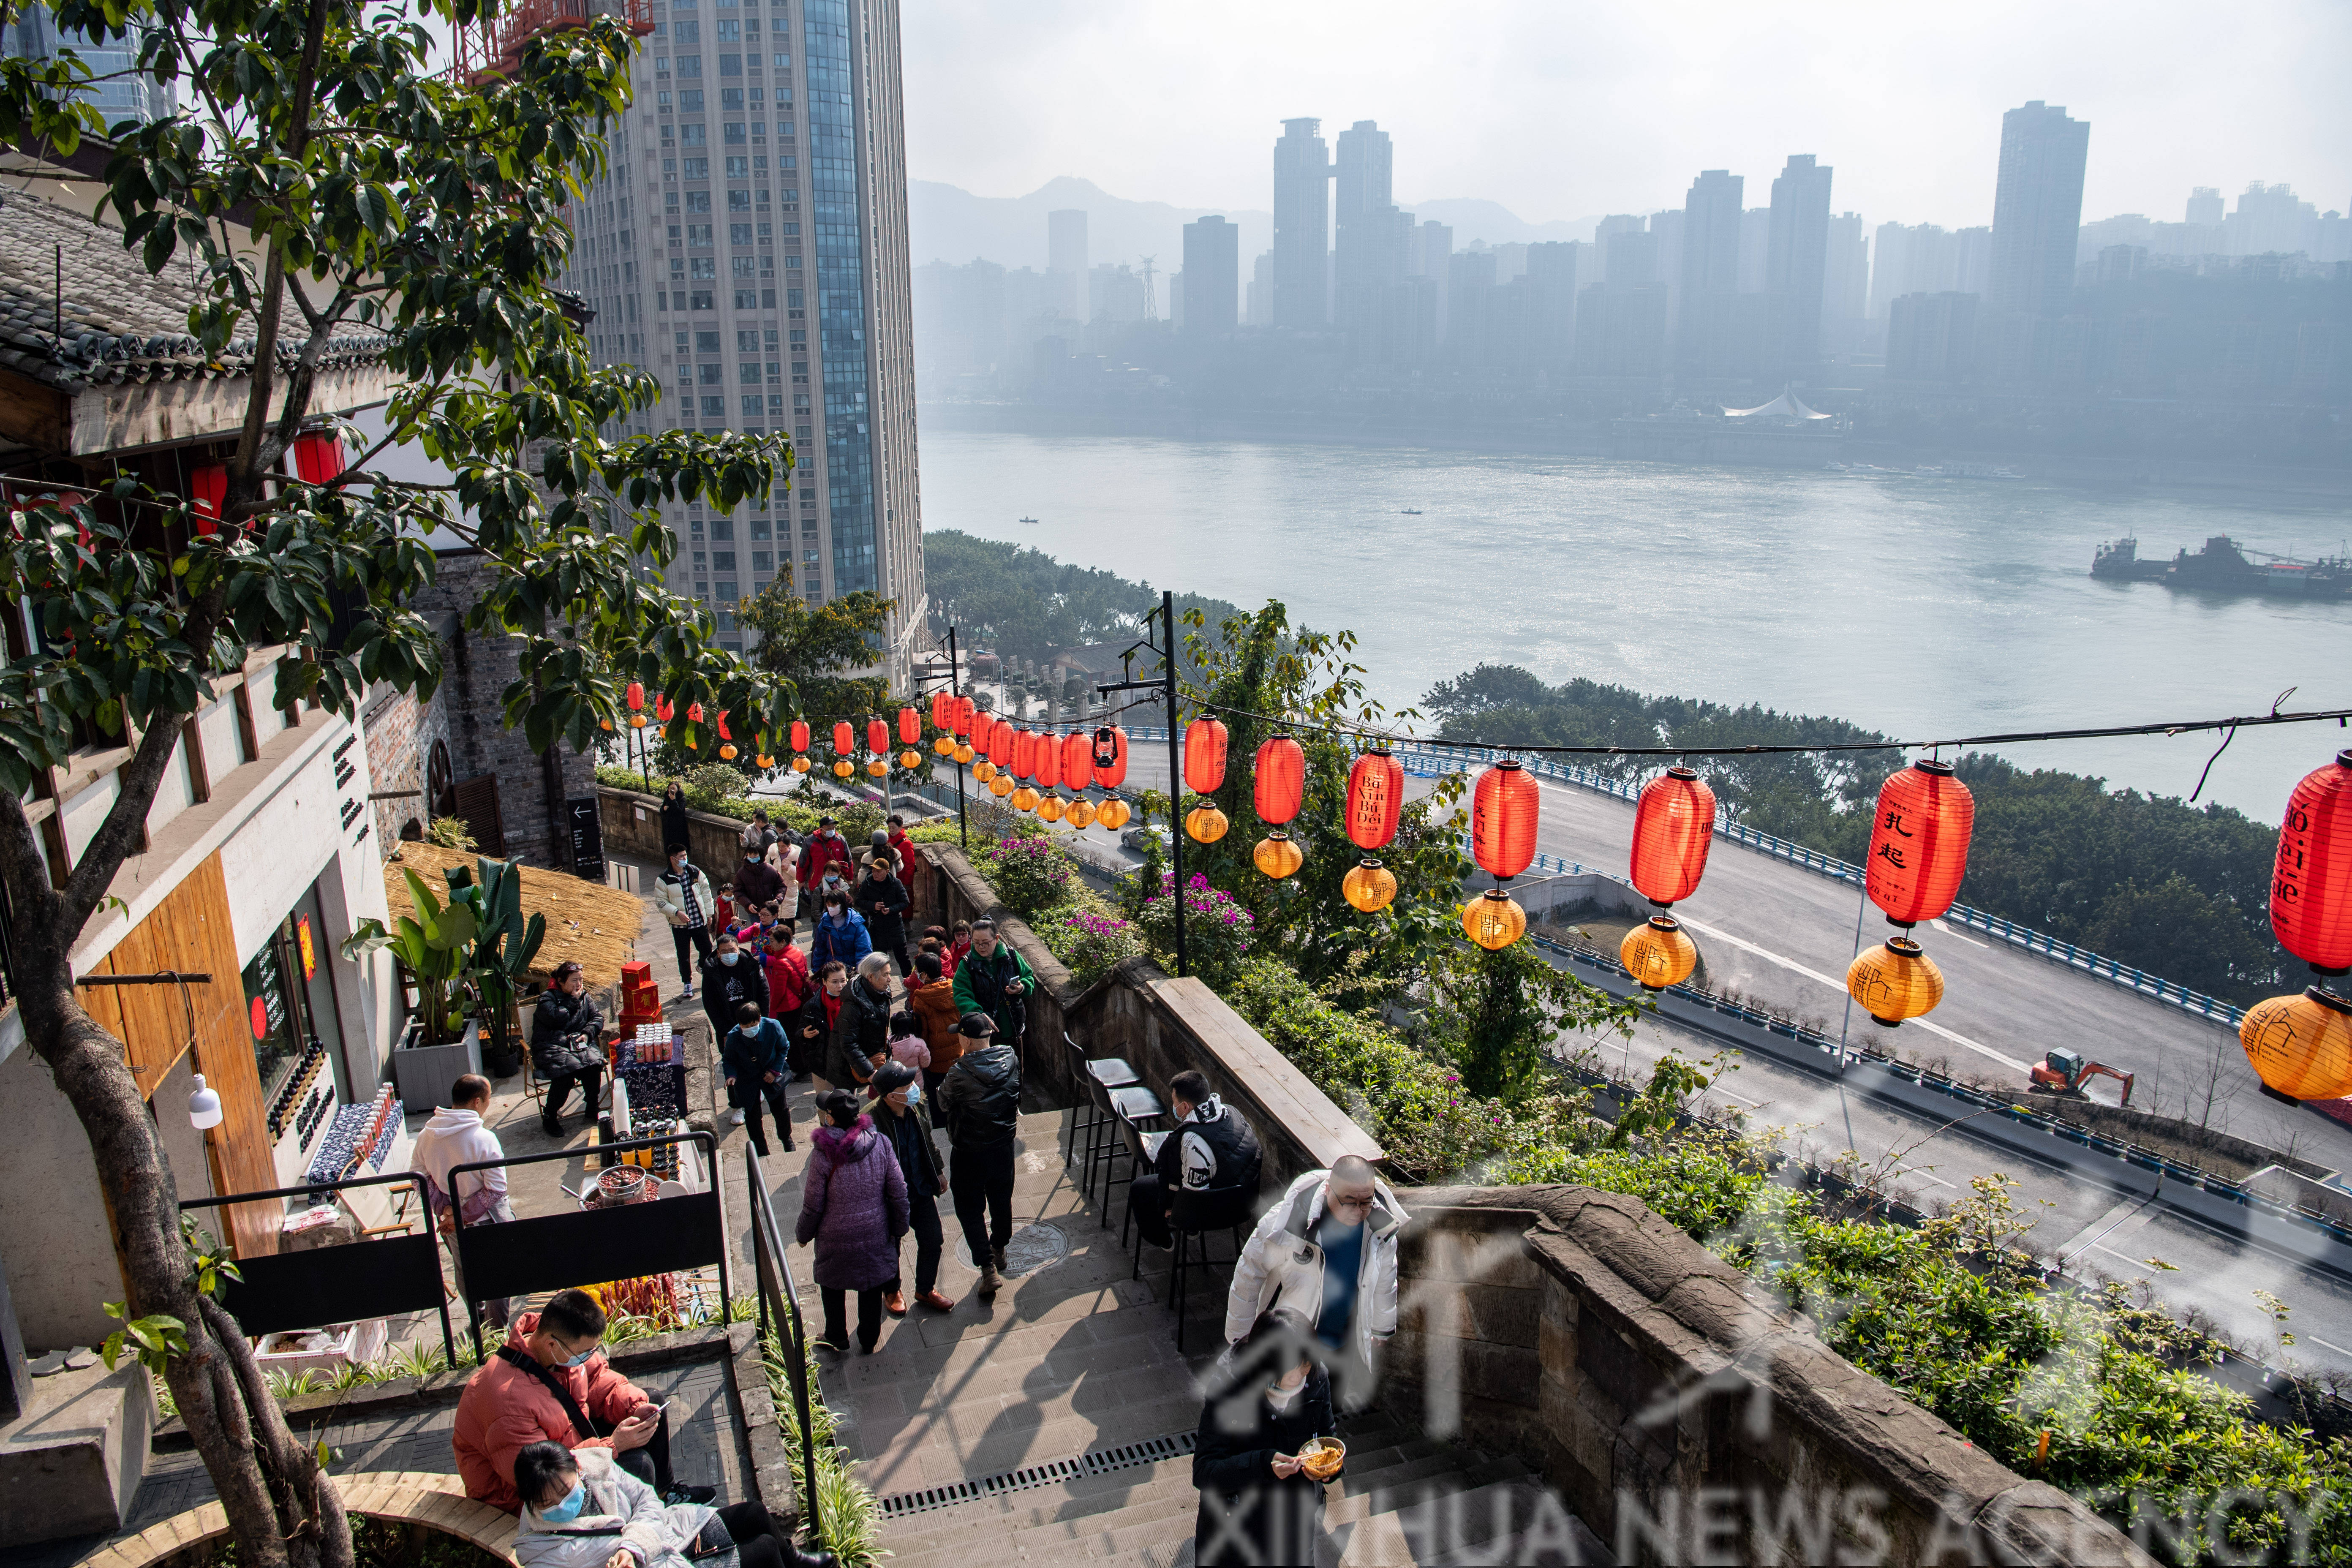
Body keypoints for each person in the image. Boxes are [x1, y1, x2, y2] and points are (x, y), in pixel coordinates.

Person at [454, 1289, 712, 1511]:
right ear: (552, 1345)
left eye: (593, 1350)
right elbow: (544, 1475)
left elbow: (598, 1378)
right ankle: (641, 1525)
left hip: (570, 1443)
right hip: (526, 1497)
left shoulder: (559, 1348)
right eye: (583, 1353)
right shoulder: (506, 1404)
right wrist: (613, 1445)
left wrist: (635, 1405)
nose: (587, 1357)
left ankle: (664, 1496)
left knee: (651, 1403)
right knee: (638, 1465)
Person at [1224, 1157, 1407, 1412]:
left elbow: (1387, 1275)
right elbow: (1248, 1274)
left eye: (1366, 1201)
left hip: (1343, 1342)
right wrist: (1240, 1335)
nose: (1359, 1210)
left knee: (1330, 1407)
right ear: (1329, 1190)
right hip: (1293, 1343)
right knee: (1285, 1410)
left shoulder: (1380, 1226)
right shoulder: (1287, 1221)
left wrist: (1381, 1326)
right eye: (1349, 1202)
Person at [510, 1440, 834, 1568]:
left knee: (755, 1513)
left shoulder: (598, 1468)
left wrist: (632, 1546)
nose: (560, 1504)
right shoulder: (540, 1553)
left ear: (578, 1470)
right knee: (763, 1551)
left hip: (666, 1536)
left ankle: (795, 1561)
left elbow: (647, 1499)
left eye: (566, 1491)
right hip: (663, 1562)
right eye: (547, 1503)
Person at [1190, 1309, 1341, 1568]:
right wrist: (1263, 1464)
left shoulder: (1316, 1378)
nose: (1305, 1373)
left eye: (1308, 1364)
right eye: (1297, 1368)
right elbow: (1205, 1471)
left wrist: (1330, 1470)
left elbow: (1328, 1437)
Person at [795, 1089, 909, 1355]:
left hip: (835, 1238)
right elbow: (899, 1192)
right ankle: (868, 1340)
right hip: (875, 1232)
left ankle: (836, 1335)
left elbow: (813, 1206)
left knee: (832, 1284)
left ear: (831, 1121)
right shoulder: (881, 1143)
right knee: (871, 1283)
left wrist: (803, 1235)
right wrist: (900, 1227)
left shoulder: (823, 1155)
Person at [410, 1073, 514, 1328]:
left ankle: (477, 1318)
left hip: (449, 1220)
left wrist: (446, 1211)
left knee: (464, 1269)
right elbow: (496, 1189)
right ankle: (497, 1333)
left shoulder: (426, 1134)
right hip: (486, 1219)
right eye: (489, 1099)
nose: (489, 1104)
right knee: (499, 1275)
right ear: (478, 1102)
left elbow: (418, 1178)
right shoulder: (484, 1138)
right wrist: (462, 1216)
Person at [934, 1011, 1021, 1298]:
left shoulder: (959, 1073)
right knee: (1001, 1198)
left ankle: (987, 1267)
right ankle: (999, 1246)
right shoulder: (1010, 1058)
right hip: (1002, 1146)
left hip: (969, 1150)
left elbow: (944, 1102)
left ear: (967, 1041)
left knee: (969, 1207)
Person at [1130, 1070, 1263, 1253]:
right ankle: (1191, 1232)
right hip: (1243, 1199)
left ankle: (1166, 1241)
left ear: (1185, 1107)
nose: (1173, 1106)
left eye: (1175, 1103)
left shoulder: (1193, 1141)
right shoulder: (1230, 1111)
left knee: (1139, 1189)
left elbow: (1194, 1197)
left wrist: (1175, 1212)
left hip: (1220, 1208)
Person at [867, 1062, 952, 1316]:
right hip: (891, 1198)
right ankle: (892, 1291)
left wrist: (938, 1171)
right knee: (891, 1245)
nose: (915, 1088)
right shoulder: (870, 1122)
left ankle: (925, 1289)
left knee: (933, 1239)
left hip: (920, 1187)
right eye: (908, 1085)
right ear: (892, 1096)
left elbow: (928, 1140)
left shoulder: (917, 1105)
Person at [531, 962, 607, 1138]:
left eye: (581, 979)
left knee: (594, 1065)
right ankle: (550, 1116)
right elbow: (555, 1019)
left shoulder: (585, 996)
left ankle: (592, 1106)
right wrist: (572, 1002)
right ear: (561, 981)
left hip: (576, 1043)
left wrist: (588, 1034)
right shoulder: (547, 999)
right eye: (574, 980)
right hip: (551, 1046)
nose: (579, 984)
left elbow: (597, 1017)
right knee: (566, 1073)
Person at [951, 918, 1035, 1059]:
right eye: (976, 943)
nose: (981, 947)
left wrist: (1021, 988)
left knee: (1014, 1071)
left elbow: (1028, 977)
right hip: (983, 1034)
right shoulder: (967, 963)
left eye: (986, 943)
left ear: (997, 939)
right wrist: (979, 1015)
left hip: (1013, 1026)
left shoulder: (1011, 956)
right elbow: (961, 994)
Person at [724, 1002, 795, 1156]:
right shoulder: (734, 1036)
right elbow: (729, 1060)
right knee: (752, 1116)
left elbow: (784, 1048)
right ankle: (761, 1151)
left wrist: (774, 1071)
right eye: (745, 1025)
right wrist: (731, 1076)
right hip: (747, 1079)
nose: (750, 1028)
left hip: (771, 1074)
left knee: (781, 1110)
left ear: (760, 1019)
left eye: (753, 1024)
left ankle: (787, 1139)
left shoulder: (773, 1026)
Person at [653, 844, 716, 999]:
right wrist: (676, 912)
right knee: (684, 955)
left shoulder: (695, 872)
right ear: (672, 859)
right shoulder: (664, 879)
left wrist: (709, 914)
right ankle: (687, 982)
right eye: (681, 857)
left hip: (698, 920)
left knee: (707, 948)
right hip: (679, 924)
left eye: (685, 855)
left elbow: (706, 893)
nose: (684, 859)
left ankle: (702, 967)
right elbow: (661, 902)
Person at [827, 951, 894, 1094]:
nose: (890, 979)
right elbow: (849, 1044)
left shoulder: (881, 993)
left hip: (871, 1060)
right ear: (871, 977)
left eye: (890, 974)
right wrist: (870, 1072)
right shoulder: (853, 1005)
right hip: (847, 1069)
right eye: (885, 975)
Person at [697, 928, 768, 1046]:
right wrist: (724, 1032)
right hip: (728, 1022)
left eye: (732, 950)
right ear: (718, 953)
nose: (729, 954)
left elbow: (764, 993)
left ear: (738, 949)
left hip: (753, 1021)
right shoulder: (711, 971)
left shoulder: (751, 966)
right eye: (724, 951)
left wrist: (763, 1021)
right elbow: (710, 1004)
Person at [906, 953, 964, 1096]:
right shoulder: (955, 987)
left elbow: (923, 1033)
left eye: (918, 972)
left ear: (925, 975)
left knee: (937, 1099)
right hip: (958, 1052)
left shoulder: (921, 998)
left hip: (935, 1059)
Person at [852, 852, 912, 976]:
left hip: (895, 925)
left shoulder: (896, 883)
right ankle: (881, 985)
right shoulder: (867, 883)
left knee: (902, 957)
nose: (875, 873)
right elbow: (858, 901)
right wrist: (873, 906)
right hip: (878, 926)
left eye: (878, 871)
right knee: (879, 959)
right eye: (873, 871)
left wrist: (891, 909)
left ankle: (910, 982)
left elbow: (905, 902)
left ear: (886, 871)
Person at [798, 961, 847, 1085]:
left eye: (843, 981)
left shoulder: (854, 1002)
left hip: (848, 1061)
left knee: (850, 1102)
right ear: (824, 982)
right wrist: (805, 1034)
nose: (840, 986)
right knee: (826, 1101)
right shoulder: (813, 1006)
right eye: (834, 982)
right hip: (824, 1064)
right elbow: (799, 1032)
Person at [762, 921, 811, 1024]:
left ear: (782, 942)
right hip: (800, 999)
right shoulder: (798, 951)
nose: (770, 944)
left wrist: (772, 1008)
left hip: (787, 1007)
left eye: (772, 941)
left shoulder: (781, 964)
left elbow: (778, 992)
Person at [811, 890, 871, 974]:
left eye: (834, 905)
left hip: (851, 971)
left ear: (842, 904)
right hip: (832, 970)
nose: (831, 908)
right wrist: (817, 971)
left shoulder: (856, 924)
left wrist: (860, 972)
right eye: (828, 904)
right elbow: (820, 950)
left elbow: (864, 950)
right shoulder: (825, 924)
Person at [798, 814, 853, 896]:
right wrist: (801, 881)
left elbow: (848, 860)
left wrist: (849, 878)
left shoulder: (841, 840)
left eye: (833, 828)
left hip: (837, 882)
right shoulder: (810, 841)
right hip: (817, 882)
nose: (832, 830)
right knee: (817, 906)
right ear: (821, 829)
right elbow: (803, 862)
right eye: (829, 829)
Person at [735, 841, 787, 925]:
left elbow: (781, 886)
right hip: (754, 911)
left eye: (755, 855)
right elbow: (738, 891)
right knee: (757, 933)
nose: (752, 857)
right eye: (750, 855)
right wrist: (748, 904)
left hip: (770, 911)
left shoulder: (771, 870)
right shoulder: (742, 873)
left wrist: (777, 899)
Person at [659, 781, 690, 864]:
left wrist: (673, 800)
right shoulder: (667, 798)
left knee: (679, 849)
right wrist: (664, 809)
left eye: (674, 789)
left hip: (679, 828)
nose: (672, 790)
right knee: (670, 849)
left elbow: (679, 811)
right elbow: (662, 811)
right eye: (670, 789)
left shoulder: (681, 798)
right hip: (668, 828)